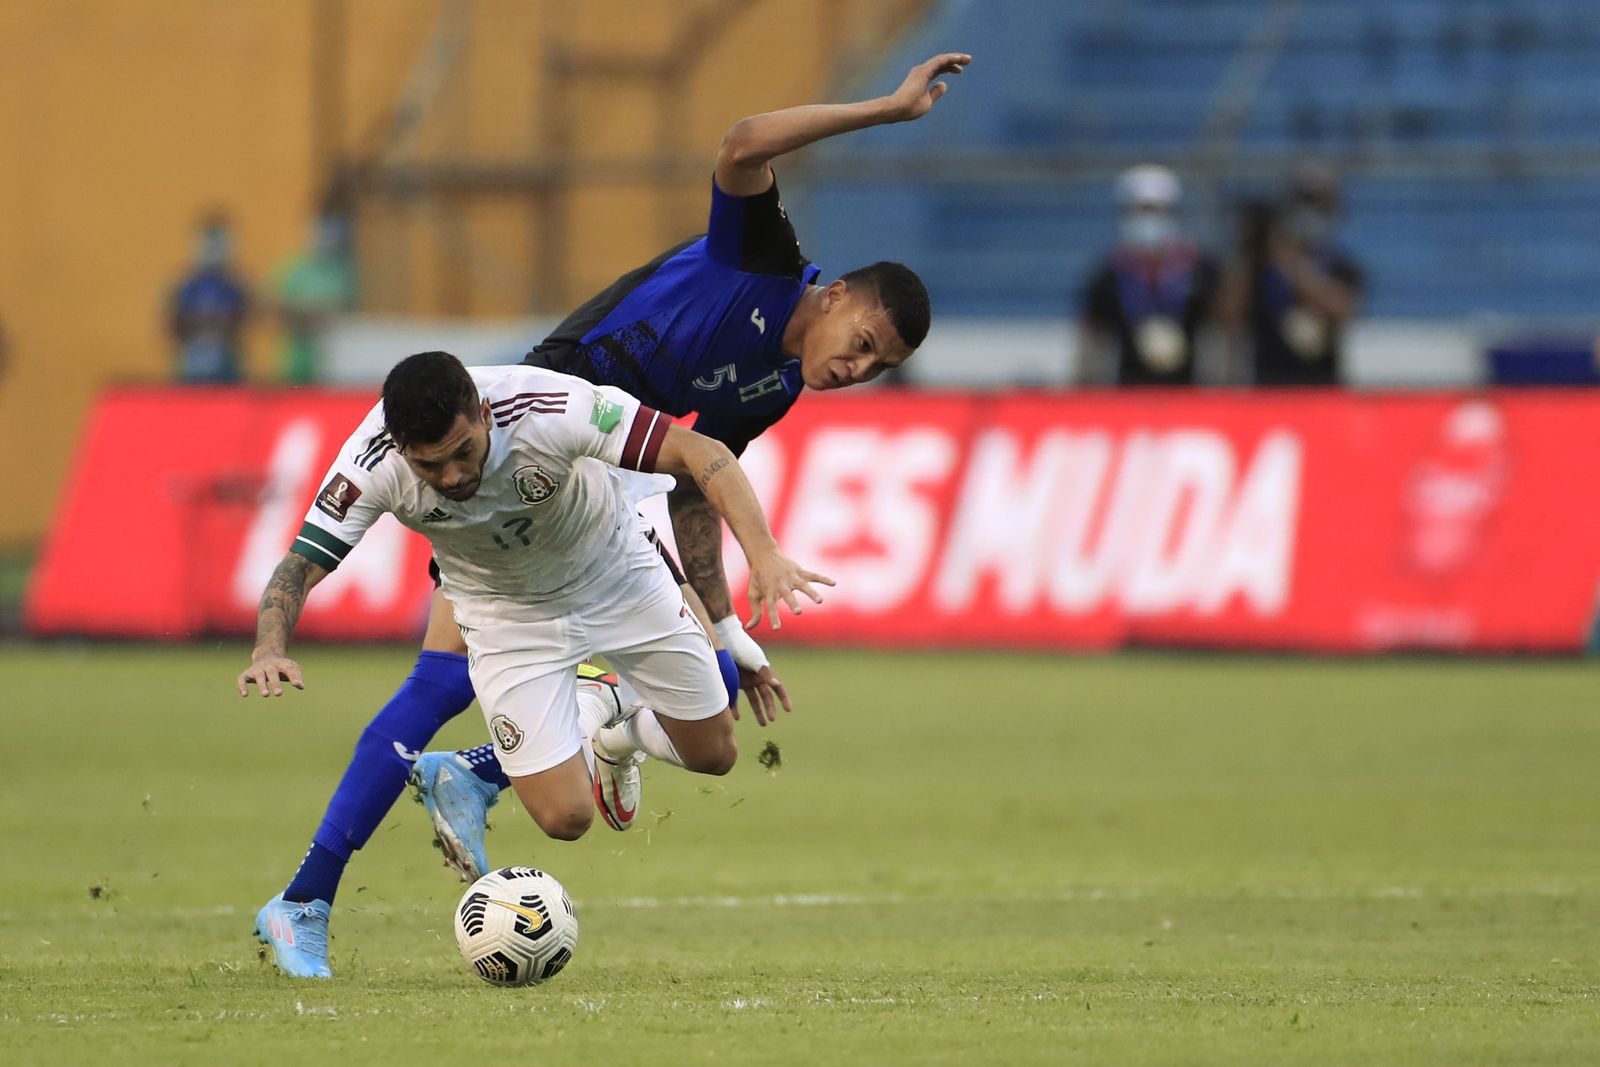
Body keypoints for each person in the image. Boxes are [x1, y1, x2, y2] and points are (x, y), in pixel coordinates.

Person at [248, 52, 967, 978]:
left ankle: (481, 779)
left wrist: (724, 622)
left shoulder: (775, 383)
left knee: (473, 684)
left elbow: (696, 489)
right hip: (555, 423)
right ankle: (327, 881)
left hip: (619, 465)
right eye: (862, 342)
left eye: (880, 366)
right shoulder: (769, 260)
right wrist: (890, 110)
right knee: (441, 681)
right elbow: (743, 144)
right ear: (834, 298)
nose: (859, 368)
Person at [242, 351, 831, 977]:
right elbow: (299, 565)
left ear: (485, 413)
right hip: (507, 619)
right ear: (400, 447)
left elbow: (699, 450)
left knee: (716, 754)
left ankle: (610, 717)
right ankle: (603, 716)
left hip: (619, 579)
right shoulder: (372, 463)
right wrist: (268, 648)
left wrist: (762, 553)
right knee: (565, 819)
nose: (450, 476)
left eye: (462, 452)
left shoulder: (551, 408)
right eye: (429, 465)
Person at [1222, 164, 1364, 386]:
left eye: (1320, 204)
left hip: (1322, 387)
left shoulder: (1341, 264)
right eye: (1306, 202)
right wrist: (1249, 254)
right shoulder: (1262, 265)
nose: (1312, 211)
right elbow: (1229, 317)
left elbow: (1344, 309)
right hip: (1268, 389)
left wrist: (1292, 264)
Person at [1077, 165, 1220, 386]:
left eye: (1157, 210)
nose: (1149, 219)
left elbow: (1224, 333)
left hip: (1192, 396)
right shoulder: (1109, 274)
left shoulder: (1201, 269)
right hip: (1128, 397)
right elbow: (1092, 339)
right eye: (1142, 210)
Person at [276, 208, 357, 383]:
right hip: (296, 359)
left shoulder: (345, 273)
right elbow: (279, 309)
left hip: (334, 359)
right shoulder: (296, 271)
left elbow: (347, 313)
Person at [169, 213, 250, 383]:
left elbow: (246, 319)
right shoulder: (185, 284)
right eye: (208, 243)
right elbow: (172, 322)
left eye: (219, 243)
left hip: (228, 368)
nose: (213, 250)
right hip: (190, 366)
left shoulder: (236, 284)